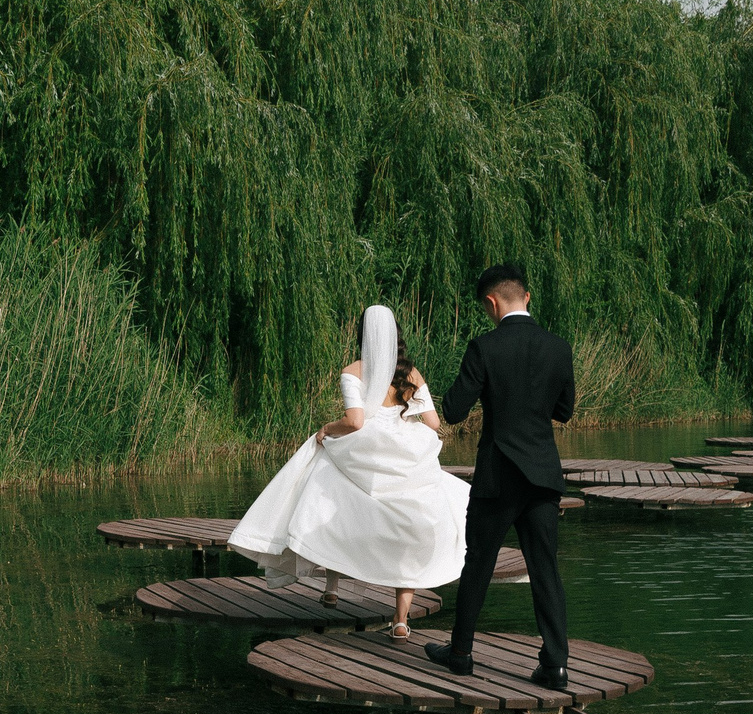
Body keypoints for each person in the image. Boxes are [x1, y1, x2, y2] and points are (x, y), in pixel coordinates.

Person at [229, 305, 469, 638]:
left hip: (367, 447)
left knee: (332, 488)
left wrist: (326, 429)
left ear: (362, 335)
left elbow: (355, 422)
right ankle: (401, 620)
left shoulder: (354, 371)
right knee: (411, 530)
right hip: (406, 452)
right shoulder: (411, 374)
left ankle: (331, 587)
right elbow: (432, 423)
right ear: (396, 335)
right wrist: (404, 424)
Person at [427, 263, 574, 689]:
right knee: (545, 568)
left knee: (478, 563)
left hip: (497, 475)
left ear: (491, 303)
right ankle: (555, 665)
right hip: (542, 475)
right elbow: (564, 411)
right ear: (526, 297)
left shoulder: (484, 347)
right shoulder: (558, 347)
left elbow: (454, 410)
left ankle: (461, 655)